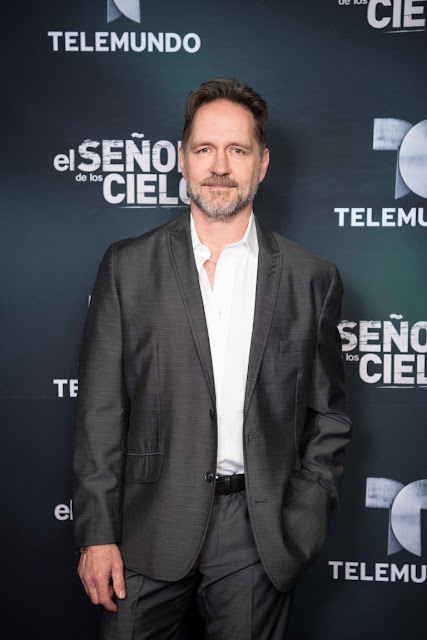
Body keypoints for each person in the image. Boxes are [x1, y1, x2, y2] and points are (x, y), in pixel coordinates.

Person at [73, 78, 352, 639]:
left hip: (257, 535)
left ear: (262, 164)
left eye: (237, 150)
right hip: (145, 525)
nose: (219, 166)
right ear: (183, 159)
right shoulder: (127, 267)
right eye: (205, 149)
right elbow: (100, 411)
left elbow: (329, 416)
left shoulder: (312, 278)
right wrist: (96, 533)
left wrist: (302, 514)